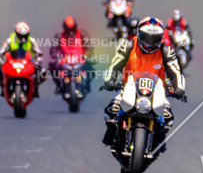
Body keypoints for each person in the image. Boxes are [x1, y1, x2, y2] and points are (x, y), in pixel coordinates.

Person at [101, 16, 186, 151]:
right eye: (146, 36)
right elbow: (115, 64)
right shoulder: (128, 46)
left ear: (161, 37)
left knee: (168, 118)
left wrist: (179, 88)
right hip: (128, 87)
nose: (150, 41)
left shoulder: (166, 50)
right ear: (138, 33)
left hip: (156, 91)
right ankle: (110, 136)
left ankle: (159, 141)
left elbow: (175, 70)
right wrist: (109, 80)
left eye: (155, 38)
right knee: (112, 110)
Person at [0, 21, 46, 97]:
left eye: (25, 35)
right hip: (12, 63)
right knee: (1, 70)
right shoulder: (10, 40)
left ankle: (35, 88)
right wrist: (2, 62)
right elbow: (1, 52)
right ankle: (2, 87)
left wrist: (37, 62)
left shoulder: (31, 41)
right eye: (20, 35)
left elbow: (39, 53)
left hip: (27, 63)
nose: (23, 38)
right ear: (16, 33)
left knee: (42, 73)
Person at [49, 16, 91, 92]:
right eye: (69, 30)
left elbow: (89, 46)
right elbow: (53, 49)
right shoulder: (59, 36)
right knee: (51, 67)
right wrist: (56, 57)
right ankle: (58, 85)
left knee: (91, 67)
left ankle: (87, 84)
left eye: (72, 29)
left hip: (80, 58)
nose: (71, 32)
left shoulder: (82, 33)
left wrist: (87, 55)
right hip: (64, 59)